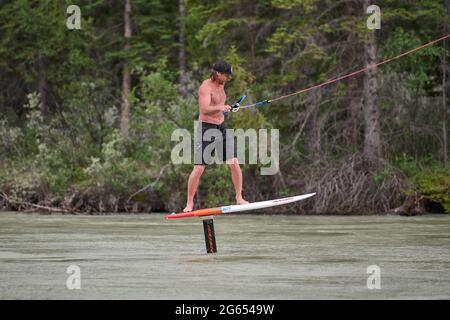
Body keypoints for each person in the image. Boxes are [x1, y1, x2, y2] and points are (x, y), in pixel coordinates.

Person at [183, 61, 249, 212]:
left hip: (221, 127)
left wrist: (229, 109)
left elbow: (219, 105)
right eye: (226, 75)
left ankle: (239, 197)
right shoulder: (205, 87)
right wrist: (221, 107)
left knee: (234, 162)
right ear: (218, 73)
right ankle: (189, 203)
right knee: (199, 168)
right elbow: (205, 109)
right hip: (206, 129)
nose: (228, 78)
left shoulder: (221, 84)